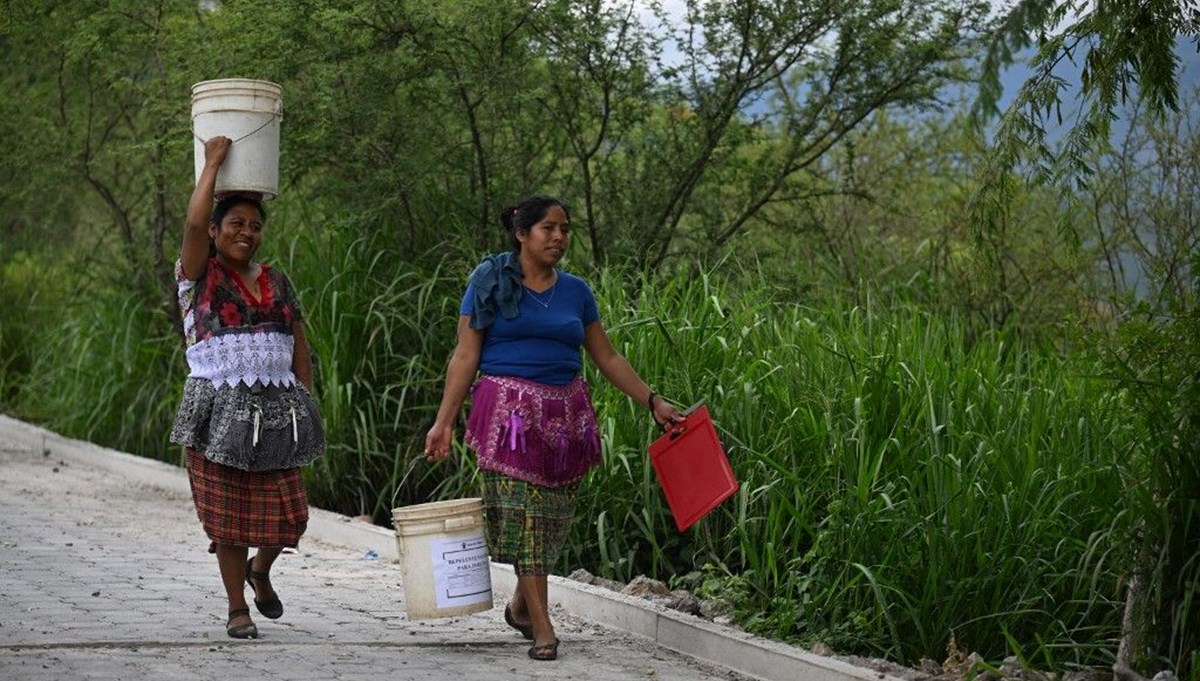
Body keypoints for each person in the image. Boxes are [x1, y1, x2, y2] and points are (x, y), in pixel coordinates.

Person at [424, 194, 683, 661]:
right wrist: (443, 421)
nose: (559, 237)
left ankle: (523, 606)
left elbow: (606, 356)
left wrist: (652, 400)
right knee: (527, 519)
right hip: (509, 419)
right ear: (522, 233)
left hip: (565, 424)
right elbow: (464, 354)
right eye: (548, 228)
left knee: (552, 522)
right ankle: (545, 629)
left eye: (565, 229)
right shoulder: (488, 282)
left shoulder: (577, 292)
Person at [169, 136, 325, 639]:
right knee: (227, 516)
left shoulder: (277, 279)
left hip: (278, 409)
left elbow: (298, 341)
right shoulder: (198, 274)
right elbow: (193, 222)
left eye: (255, 226)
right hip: (217, 409)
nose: (247, 233)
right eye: (235, 224)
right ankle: (237, 606)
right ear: (215, 231)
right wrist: (214, 161)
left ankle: (260, 570)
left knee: (291, 516)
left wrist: (306, 396)